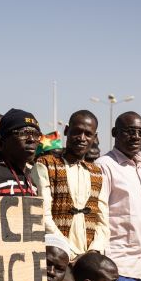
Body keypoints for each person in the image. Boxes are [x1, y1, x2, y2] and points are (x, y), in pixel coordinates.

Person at [29, 110, 108, 257]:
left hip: (88, 258)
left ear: (94, 137)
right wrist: (70, 253)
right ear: (66, 131)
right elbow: (42, 216)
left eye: (88, 134)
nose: (82, 138)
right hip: (55, 255)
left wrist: (94, 251)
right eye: (77, 132)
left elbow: (103, 220)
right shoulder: (46, 164)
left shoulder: (97, 172)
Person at [97, 112, 141, 281]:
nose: (136, 137)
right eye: (130, 132)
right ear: (115, 133)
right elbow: (99, 214)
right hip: (118, 266)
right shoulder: (105, 165)